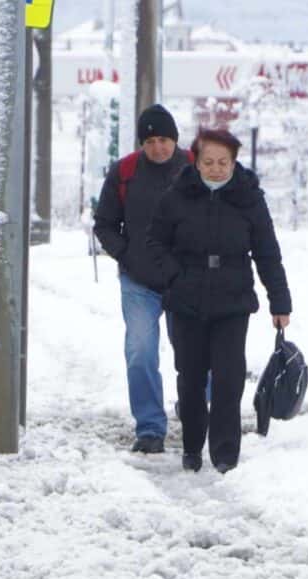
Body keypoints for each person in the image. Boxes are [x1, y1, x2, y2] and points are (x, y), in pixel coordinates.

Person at [147, 128, 292, 473]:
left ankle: (226, 453)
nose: (216, 169)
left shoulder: (249, 198)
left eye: (223, 162)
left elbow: (268, 252)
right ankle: (193, 445)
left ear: (233, 162)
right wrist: (175, 276)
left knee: (229, 376)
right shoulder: (176, 196)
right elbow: (155, 243)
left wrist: (280, 302)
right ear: (196, 161)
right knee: (191, 377)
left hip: (233, 300)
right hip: (186, 300)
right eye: (209, 162)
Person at [93, 104, 193, 454]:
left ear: (175, 140)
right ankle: (150, 427)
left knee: (198, 354)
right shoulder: (125, 172)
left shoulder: (197, 167)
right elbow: (103, 223)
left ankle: (198, 412)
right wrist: (126, 254)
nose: (158, 148)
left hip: (188, 280)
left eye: (164, 139)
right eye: (150, 141)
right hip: (139, 282)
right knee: (140, 352)